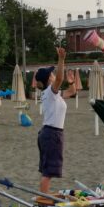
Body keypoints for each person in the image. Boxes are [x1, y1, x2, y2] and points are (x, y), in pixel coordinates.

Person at [34, 47, 76, 194]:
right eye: (51, 74)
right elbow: (59, 79)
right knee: (48, 173)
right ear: (48, 79)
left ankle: (43, 198)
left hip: (49, 133)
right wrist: (61, 59)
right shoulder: (50, 92)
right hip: (51, 134)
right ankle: (43, 202)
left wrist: (71, 82)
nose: (53, 75)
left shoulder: (53, 94)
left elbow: (72, 92)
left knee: (47, 171)